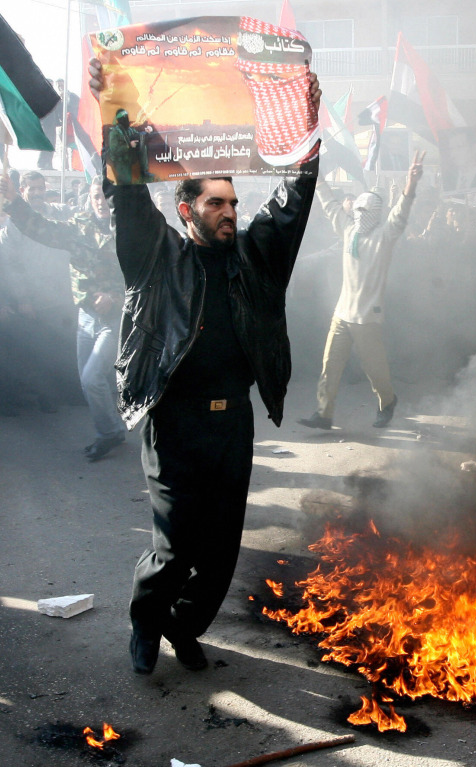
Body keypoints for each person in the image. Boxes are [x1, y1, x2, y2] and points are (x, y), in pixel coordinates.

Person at [88, 58, 321, 675]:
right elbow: (131, 198)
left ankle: (183, 624)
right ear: (187, 210)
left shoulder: (256, 258)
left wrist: (306, 132)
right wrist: (114, 113)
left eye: (234, 203)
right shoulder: (156, 257)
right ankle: (146, 622)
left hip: (231, 426)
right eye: (216, 202)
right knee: (175, 548)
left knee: (219, 555)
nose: (230, 212)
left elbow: (295, 201)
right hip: (177, 424)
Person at [300, 150, 425, 431]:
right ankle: (324, 414)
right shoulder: (348, 231)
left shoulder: (384, 237)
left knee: (375, 370)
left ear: (375, 215)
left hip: (368, 316)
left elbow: (400, 212)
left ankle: (387, 402)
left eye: (364, 212)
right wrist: (317, 178)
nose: (358, 215)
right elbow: (331, 205)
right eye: (357, 210)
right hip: (342, 313)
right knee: (330, 366)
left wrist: (411, 184)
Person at [0, 173, 123, 450]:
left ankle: (109, 433)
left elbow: (142, 273)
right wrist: (13, 200)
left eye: (105, 197)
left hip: (117, 315)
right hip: (86, 315)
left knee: (93, 379)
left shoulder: (130, 229)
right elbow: (39, 227)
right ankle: (112, 428)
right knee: (88, 380)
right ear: (89, 200)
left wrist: (115, 296)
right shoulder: (79, 226)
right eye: (95, 197)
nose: (100, 202)